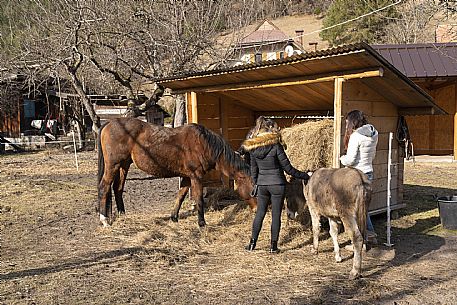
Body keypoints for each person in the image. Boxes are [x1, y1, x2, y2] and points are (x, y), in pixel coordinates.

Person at [241, 117, 309, 253]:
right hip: (277, 184)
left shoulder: (253, 147)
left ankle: (252, 244)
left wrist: (256, 184)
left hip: (262, 185)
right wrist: (305, 175)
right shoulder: (275, 145)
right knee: (276, 215)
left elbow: (254, 170)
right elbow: (288, 169)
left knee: (260, 213)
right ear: (270, 130)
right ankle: (273, 247)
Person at [340, 110, 379, 244]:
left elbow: (350, 160)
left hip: (356, 175)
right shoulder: (374, 133)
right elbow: (372, 154)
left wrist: (342, 159)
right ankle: (370, 235)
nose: (347, 126)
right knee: (364, 207)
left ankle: (360, 239)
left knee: (355, 209)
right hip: (368, 172)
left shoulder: (356, 136)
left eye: (347, 123)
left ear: (352, 122)